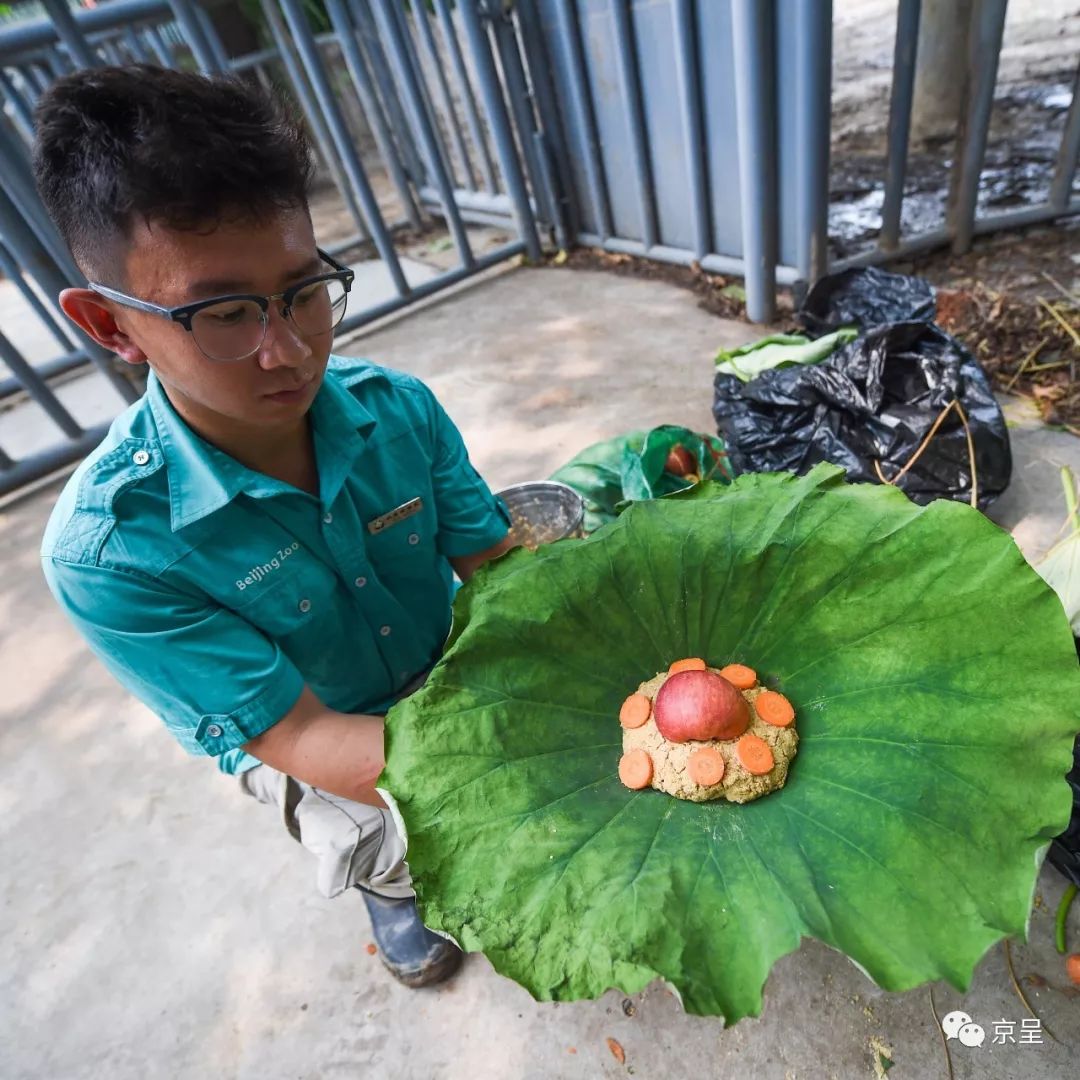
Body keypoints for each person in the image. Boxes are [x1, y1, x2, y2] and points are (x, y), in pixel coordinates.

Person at [34, 64, 514, 989]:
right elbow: (296, 733)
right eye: (221, 315)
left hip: (450, 667)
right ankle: (391, 884)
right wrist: (526, 747)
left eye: (302, 290)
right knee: (381, 830)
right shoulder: (112, 554)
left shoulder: (400, 410)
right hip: (315, 725)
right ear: (112, 325)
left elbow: (491, 560)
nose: (288, 350)